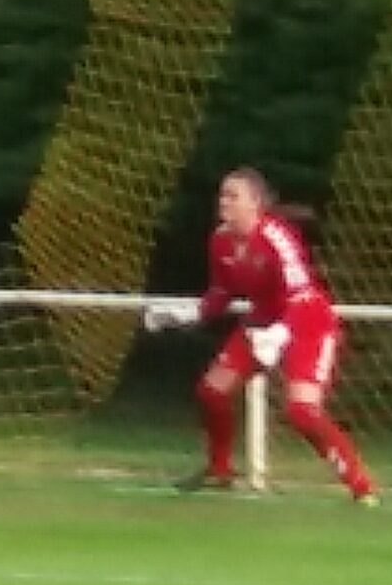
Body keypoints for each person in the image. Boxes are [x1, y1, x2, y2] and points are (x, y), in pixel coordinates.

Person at [144, 167, 377, 505]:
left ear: (255, 202)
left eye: (232, 196)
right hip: (262, 324)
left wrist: (281, 334)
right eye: (222, 195)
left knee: (302, 412)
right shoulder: (221, 240)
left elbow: (300, 294)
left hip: (307, 323)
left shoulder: (275, 236)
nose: (223, 202)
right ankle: (219, 470)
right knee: (212, 391)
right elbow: (221, 293)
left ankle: (360, 485)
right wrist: (185, 314)